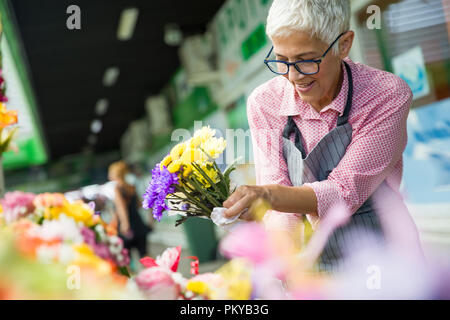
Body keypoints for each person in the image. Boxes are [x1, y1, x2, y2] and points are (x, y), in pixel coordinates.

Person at [223, 0, 423, 273]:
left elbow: (344, 192)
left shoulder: (385, 94)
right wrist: (282, 264)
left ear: (344, 44)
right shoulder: (264, 103)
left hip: (385, 254)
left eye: (306, 60)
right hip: (312, 261)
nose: (293, 76)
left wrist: (268, 195)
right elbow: (279, 203)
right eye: (282, 61)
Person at [108, 161, 152, 260]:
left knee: (126, 259)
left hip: (127, 228)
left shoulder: (117, 189)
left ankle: (134, 275)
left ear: (115, 174)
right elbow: (140, 205)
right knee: (145, 255)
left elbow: (121, 208)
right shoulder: (131, 187)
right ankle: (156, 273)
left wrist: (125, 224)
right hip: (138, 224)